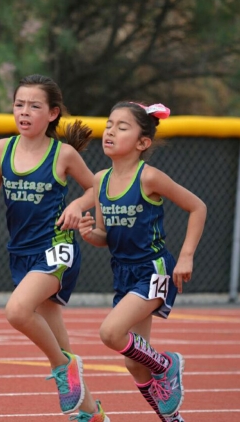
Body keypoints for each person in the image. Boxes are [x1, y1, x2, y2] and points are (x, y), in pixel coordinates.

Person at [0, 74, 109, 422]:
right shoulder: (2, 148)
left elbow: (100, 189)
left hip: (56, 248)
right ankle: (92, 414)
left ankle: (63, 368)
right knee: (59, 339)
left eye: (34, 106)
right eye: (19, 104)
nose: (24, 111)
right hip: (21, 251)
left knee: (17, 311)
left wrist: (78, 206)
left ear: (52, 113)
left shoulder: (62, 154)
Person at [78, 101, 207, 422]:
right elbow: (104, 236)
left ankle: (168, 365)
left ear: (142, 143)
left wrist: (187, 255)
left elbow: (198, 207)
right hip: (123, 273)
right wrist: (88, 233)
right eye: (109, 124)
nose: (110, 131)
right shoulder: (100, 181)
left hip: (154, 270)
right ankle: (172, 419)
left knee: (110, 333)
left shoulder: (149, 177)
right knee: (134, 362)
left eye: (122, 127)